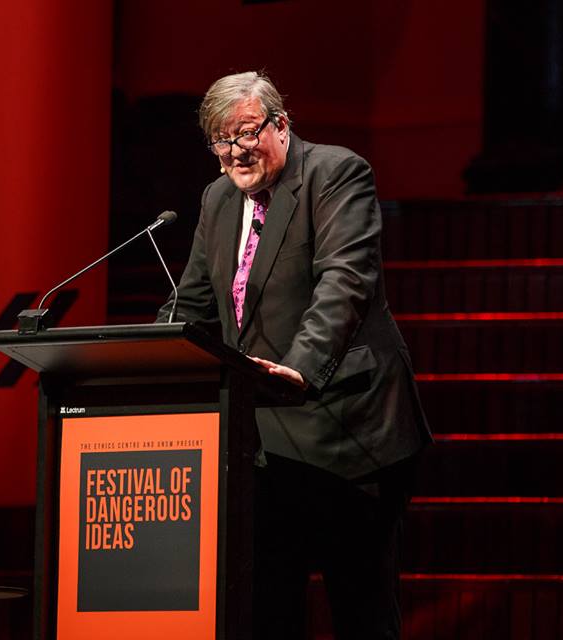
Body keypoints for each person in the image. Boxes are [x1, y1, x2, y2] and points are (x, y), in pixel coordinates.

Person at [156, 71, 431, 639]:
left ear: (281, 124)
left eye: (246, 133)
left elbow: (345, 282)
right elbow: (196, 302)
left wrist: (299, 369)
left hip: (348, 435)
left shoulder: (335, 173)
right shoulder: (217, 198)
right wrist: (148, 358)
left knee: (363, 617)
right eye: (221, 141)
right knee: (265, 614)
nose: (235, 152)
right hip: (259, 448)